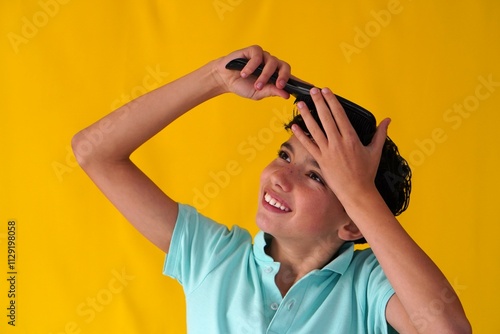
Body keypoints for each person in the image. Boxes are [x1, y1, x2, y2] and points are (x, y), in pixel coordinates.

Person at [72, 45, 471, 333]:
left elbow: (448, 329)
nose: (281, 177)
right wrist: (214, 78)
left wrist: (360, 193)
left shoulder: (369, 287)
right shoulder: (214, 258)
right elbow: (93, 152)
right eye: (285, 154)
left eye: (317, 176)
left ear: (353, 223)